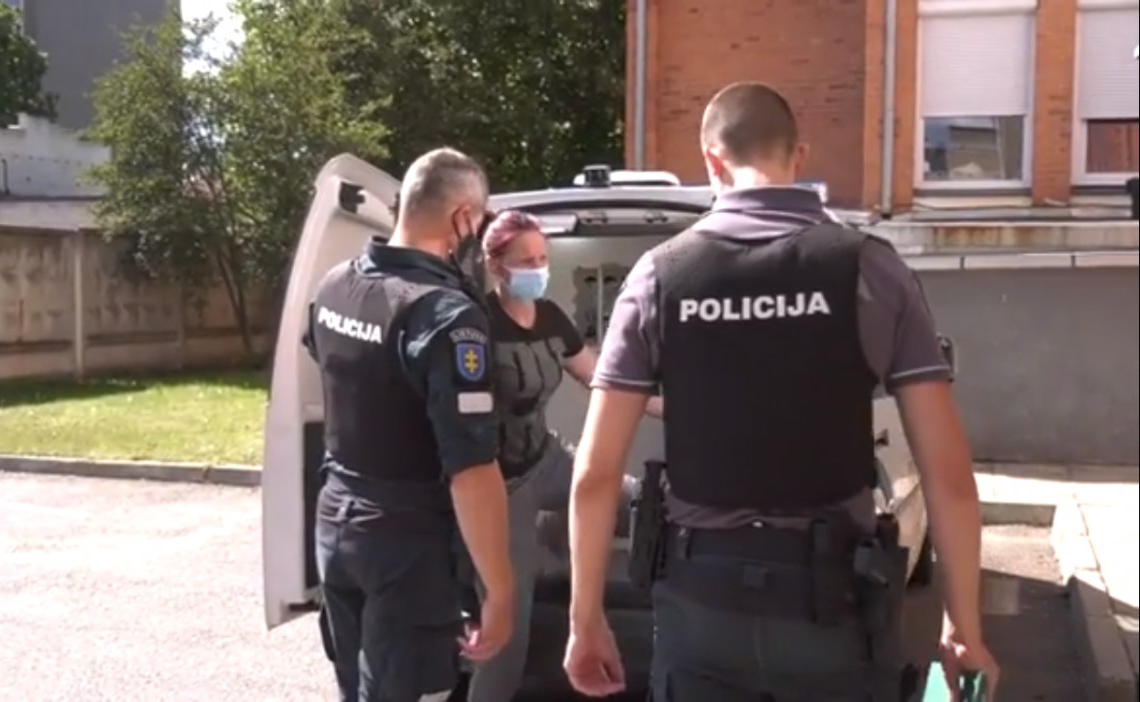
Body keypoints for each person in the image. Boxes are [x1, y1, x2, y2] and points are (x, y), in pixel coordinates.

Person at [562, 83, 1000, 700]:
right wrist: (963, 628)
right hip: (831, 610)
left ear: (711, 160)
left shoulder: (659, 277)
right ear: (799, 156)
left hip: (701, 608)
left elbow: (595, 475)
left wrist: (585, 621)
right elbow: (948, 477)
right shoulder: (872, 268)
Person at [306, 147, 515, 702]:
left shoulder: (333, 285)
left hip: (336, 526)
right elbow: (471, 470)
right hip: (407, 546)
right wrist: (499, 588)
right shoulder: (445, 315)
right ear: (462, 218)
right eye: (480, 221)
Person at [465, 210, 660, 702]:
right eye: (526, 260)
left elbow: (599, 376)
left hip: (546, 458)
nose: (537, 269)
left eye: (542, 259)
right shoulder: (476, 326)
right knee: (509, 624)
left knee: (643, 503)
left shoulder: (550, 316)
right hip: (499, 486)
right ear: (495, 265)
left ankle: (561, 545)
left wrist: (668, 407)